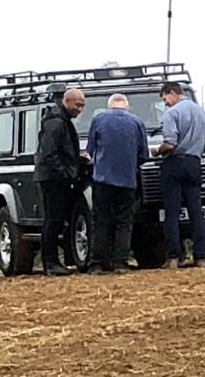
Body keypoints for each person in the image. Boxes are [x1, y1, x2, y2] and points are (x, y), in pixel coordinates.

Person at [85, 94, 149, 274]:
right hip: (128, 181)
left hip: (102, 180)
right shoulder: (137, 122)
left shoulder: (98, 120)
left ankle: (97, 263)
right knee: (124, 222)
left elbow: (90, 151)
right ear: (127, 107)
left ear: (109, 106)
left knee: (100, 221)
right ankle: (121, 262)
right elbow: (143, 155)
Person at [151, 82, 205, 269]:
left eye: (165, 98)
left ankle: (174, 256)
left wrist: (157, 151)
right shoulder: (201, 113)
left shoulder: (172, 113)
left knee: (172, 211)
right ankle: (201, 256)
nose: (165, 103)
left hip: (174, 164)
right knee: (196, 210)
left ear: (172, 93)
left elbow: (170, 144)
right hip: (194, 163)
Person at [34, 88, 88, 276]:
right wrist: (65, 173)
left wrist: (77, 159)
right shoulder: (56, 122)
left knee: (57, 220)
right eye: (77, 105)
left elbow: (61, 150)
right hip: (53, 179)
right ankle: (50, 263)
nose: (80, 109)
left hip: (55, 176)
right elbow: (49, 153)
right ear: (67, 101)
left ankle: (55, 261)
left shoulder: (61, 120)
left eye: (82, 106)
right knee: (53, 220)